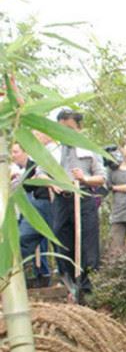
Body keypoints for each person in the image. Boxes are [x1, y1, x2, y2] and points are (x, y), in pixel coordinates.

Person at [52, 108, 106, 299]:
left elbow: (101, 178)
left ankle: (88, 290)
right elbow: (41, 172)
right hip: (61, 201)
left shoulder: (89, 149)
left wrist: (85, 178)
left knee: (87, 245)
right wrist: (51, 182)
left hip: (83, 199)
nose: (65, 133)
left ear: (79, 128)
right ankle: (70, 284)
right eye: (61, 129)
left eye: (69, 128)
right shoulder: (53, 150)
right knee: (61, 239)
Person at [13, 140, 54, 288]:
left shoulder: (47, 155)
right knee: (22, 240)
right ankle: (13, 279)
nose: (13, 156)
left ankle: (66, 280)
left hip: (52, 203)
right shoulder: (23, 169)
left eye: (16, 152)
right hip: (34, 207)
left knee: (60, 242)